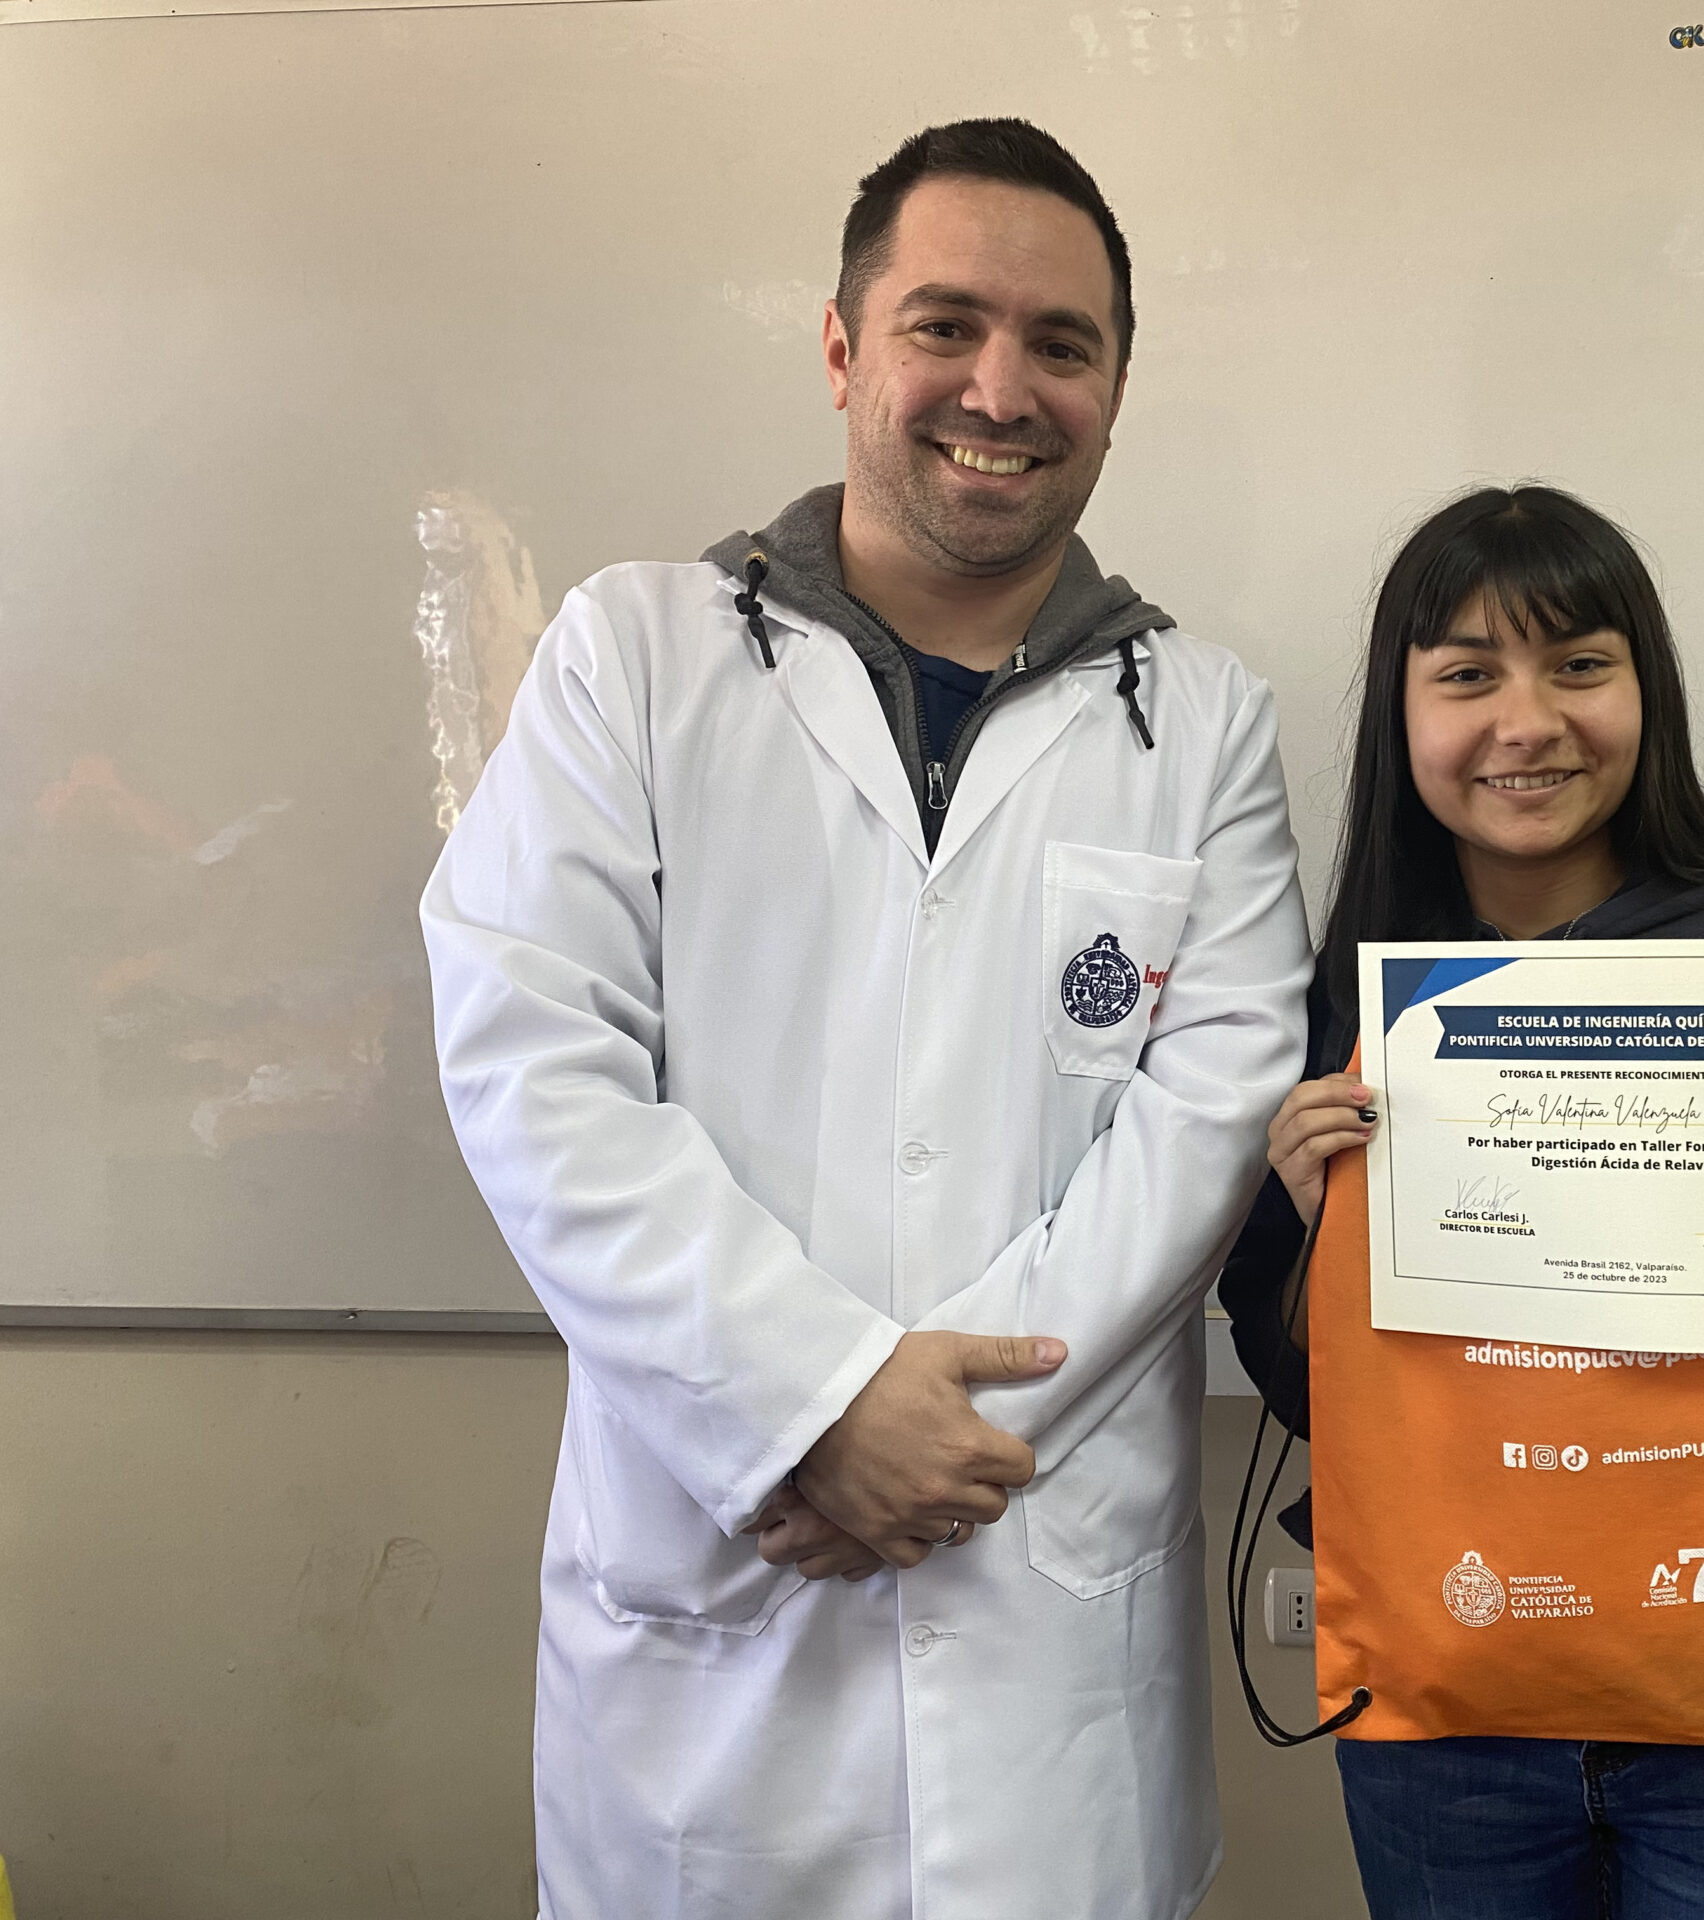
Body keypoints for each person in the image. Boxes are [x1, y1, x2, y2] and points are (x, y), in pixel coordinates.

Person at [422, 119, 1310, 1920]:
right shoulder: (632, 656)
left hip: (1048, 1652)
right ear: (842, 349)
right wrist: (812, 1406)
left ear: (1115, 390)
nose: (1002, 388)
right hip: (715, 1628)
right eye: (944, 325)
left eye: (1061, 343)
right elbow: (536, 1063)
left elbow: (1208, 1121)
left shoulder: (1204, 721)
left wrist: (929, 1437)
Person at [1219, 485, 1704, 1920]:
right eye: (1468, 675)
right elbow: (1303, 1387)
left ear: (1649, 693)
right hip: (1456, 1692)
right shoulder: (1354, 999)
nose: (1527, 723)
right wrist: (1324, 1234)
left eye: (1579, 664)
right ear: (1403, 713)